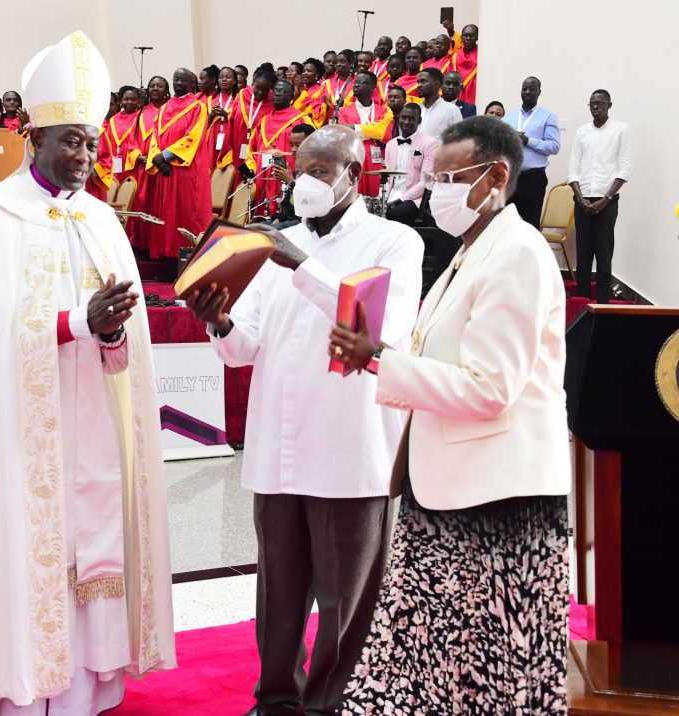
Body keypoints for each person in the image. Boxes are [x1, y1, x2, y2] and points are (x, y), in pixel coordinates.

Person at [0, 30, 176, 716]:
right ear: (32, 137)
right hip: (25, 429)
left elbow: (129, 334)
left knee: (96, 540)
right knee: (33, 543)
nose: (82, 155)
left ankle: (94, 681)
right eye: (69, 139)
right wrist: (76, 322)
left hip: (95, 419)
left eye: (92, 143)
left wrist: (108, 331)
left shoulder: (103, 221)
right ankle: (20, 681)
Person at [331, 115, 571, 715]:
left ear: (495, 178)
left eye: (448, 177)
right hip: (449, 490)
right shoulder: (472, 253)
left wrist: (380, 359)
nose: (435, 189)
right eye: (433, 176)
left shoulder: (516, 255)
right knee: (429, 662)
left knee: (489, 672)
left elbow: (491, 388)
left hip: (497, 502)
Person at [186, 125, 422, 716]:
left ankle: (329, 706)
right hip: (279, 447)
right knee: (279, 593)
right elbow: (247, 347)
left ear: (355, 171)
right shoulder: (276, 242)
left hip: (349, 446)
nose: (306, 183)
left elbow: (375, 334)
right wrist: (219, 322)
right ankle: (276, 702)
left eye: (322, 171)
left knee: (344, 600)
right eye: (300, 170)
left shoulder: (393, 242)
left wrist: (299, 264)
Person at [568, 89, 631, 304]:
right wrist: (579, 198)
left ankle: (604, 304)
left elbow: (624, 169)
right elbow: (573, 168)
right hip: (582, 200)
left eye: (600, 103)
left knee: (604, 256)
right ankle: (582, 302)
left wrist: (606, 199)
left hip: (607, 201)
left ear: (609, 105)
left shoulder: (620, 130)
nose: (595, 107)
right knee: (583, 256)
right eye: (592, 104)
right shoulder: (582, 132)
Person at [142, 68, 212, 258]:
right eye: (176, 80)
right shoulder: (165, 107)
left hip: (185, 170)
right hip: (165, 170)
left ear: (192, 84)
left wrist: (165, 156)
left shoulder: (198, 107)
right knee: (166, 215)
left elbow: (193, 137)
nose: (178, 83)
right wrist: (157, 159)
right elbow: (155, 135)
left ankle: (184, 257)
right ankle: (165, 255)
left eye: (183, 80)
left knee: (185, 214)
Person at [243, 78, 307, 218]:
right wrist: (251, 169)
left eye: (283, 91)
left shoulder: (301, 119)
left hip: (286, 175)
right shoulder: (263, 121)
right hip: (263, 177)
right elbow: (251, 148)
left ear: (291, 96)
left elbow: (310, 149)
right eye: (275, 90)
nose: (277, 94)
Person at [503, 76, 560, 228]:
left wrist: (528, 141)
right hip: (510, 178)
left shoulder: (548, 116)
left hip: (533, 179)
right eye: (524, 88)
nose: (527, 91)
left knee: (530, 226)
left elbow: (554, 146)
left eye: (532, 88)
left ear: (539, 92)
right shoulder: (509, 117)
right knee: (505, 225)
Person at [128, 74, 171, 251]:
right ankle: (142, 246)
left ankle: (159, 248)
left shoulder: (171, 112)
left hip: (162, 167)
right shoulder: (141, 114)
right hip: (144, 168)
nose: (154, 89)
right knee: (142, 204)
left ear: (167, 91)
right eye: (152, 86)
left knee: (162, 207)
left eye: (159, 86)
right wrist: (137, 156)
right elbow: (133, 140)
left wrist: (162, 158)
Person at [336, 71, 393, 197]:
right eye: (355, 82)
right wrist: (373, 132)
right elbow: (345, 134)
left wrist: (354, 128)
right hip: (353, 158)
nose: (355, 85)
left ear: (373, 87)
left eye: (361, 82)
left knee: (375, 199)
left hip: (376, 160)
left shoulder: (384, 111)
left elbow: (386, 135)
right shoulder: (343, 111)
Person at [383, 103, 438, 225]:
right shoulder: (391, 144)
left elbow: (426, 182)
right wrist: (383, 197)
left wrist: (400, 200)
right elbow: (387, 177)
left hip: (416, 198)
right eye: (404, 117)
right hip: (392, 194)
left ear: (419, 120)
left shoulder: (430, 144)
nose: (406, 122)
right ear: (399, 118)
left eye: (412, 119)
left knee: (393, 214)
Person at [270, 123, 315, 228]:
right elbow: (287, 206)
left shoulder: (318, 172)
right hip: (289, 221)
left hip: (304, 224)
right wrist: (278, 218)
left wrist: (291, 181)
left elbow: (308, 205)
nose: (293, 149)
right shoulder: (297, 172)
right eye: (291, 145)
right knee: (252, 228)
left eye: (298, 145)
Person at [417, 68, 462, 139]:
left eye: (423, 81)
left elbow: (459, 141)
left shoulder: (451, 110)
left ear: (436, 84)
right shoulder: (417, 109)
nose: (419, 85)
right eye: (418, 82)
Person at [293, 57, 332, 129]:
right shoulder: (299, 87)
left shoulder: (322, 90)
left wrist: (302, 91)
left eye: (309, 71)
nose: (305, 73)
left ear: (317, 74)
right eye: (304, 71)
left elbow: (315, 111)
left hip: (309, 128)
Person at [450, 24, 479, 105]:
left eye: (472, 35)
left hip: (474, 94)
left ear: (477, 37)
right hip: (456, 96)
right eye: (465, 35)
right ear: (461, 37)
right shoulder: (455, 57)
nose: (468, 38)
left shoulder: (481, 55)